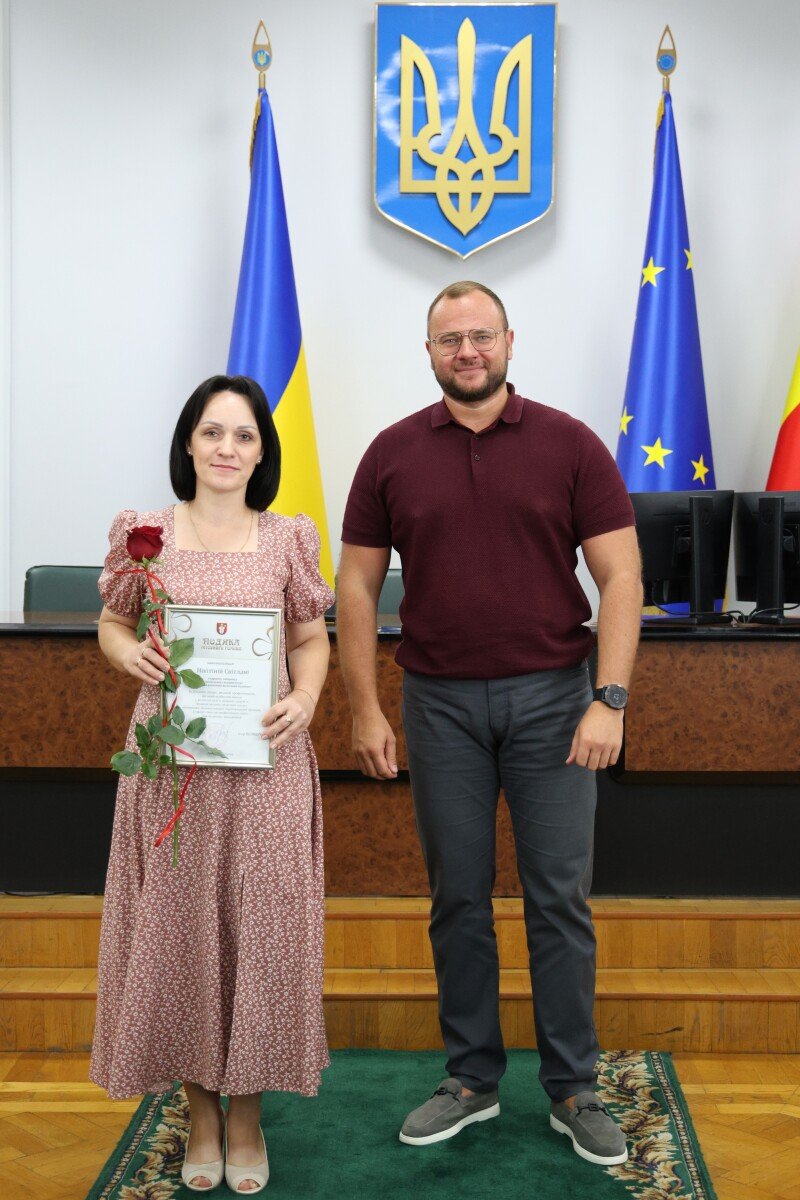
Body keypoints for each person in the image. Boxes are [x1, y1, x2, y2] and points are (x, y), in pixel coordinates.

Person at [336, 282, 642, 1168]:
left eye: (481, 336)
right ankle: (471, 1079)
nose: (466, 351)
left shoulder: (570, 444)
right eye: (449, 340)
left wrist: (609, 698)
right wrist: (365, 707)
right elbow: (354, 585)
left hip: (555, 702)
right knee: (458, 899)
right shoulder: (391, 453)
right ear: (428, 352)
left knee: (558, 900)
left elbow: (622, 577)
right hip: (439, 706)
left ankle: (574, 1089)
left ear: (510, 341)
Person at [90, 374, 334, 1193]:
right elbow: (113, 623)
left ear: (263, 453)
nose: (227, 448)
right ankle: (199, 1114)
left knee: (260, 937)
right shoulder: (145, 534)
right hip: (172, 774)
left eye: (244, 435)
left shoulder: (288, 538)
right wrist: (129, 652)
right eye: (212, 432)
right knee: (180, 934)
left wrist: (306, 696)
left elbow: (310, 639)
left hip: (267, 772)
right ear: (189, 443)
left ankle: (246, 1118)